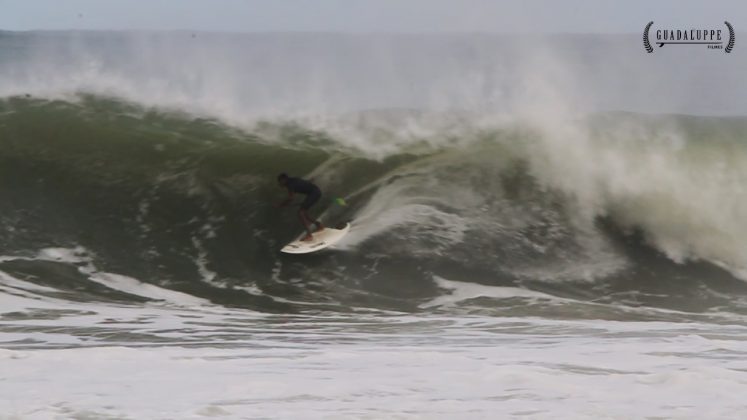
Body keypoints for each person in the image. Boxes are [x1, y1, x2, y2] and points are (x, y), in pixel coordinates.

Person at [276, 173, 324, 241]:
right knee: (304, 213)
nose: (280, 183)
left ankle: (309, 235)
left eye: (280, 181)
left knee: (300, 213)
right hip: (315, 192)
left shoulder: (289, 185)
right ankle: (319, 225)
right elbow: (306, 182)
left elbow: (291, 198)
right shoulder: (294, 179)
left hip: (313, 194)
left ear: (284, 180)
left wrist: (281, 205)